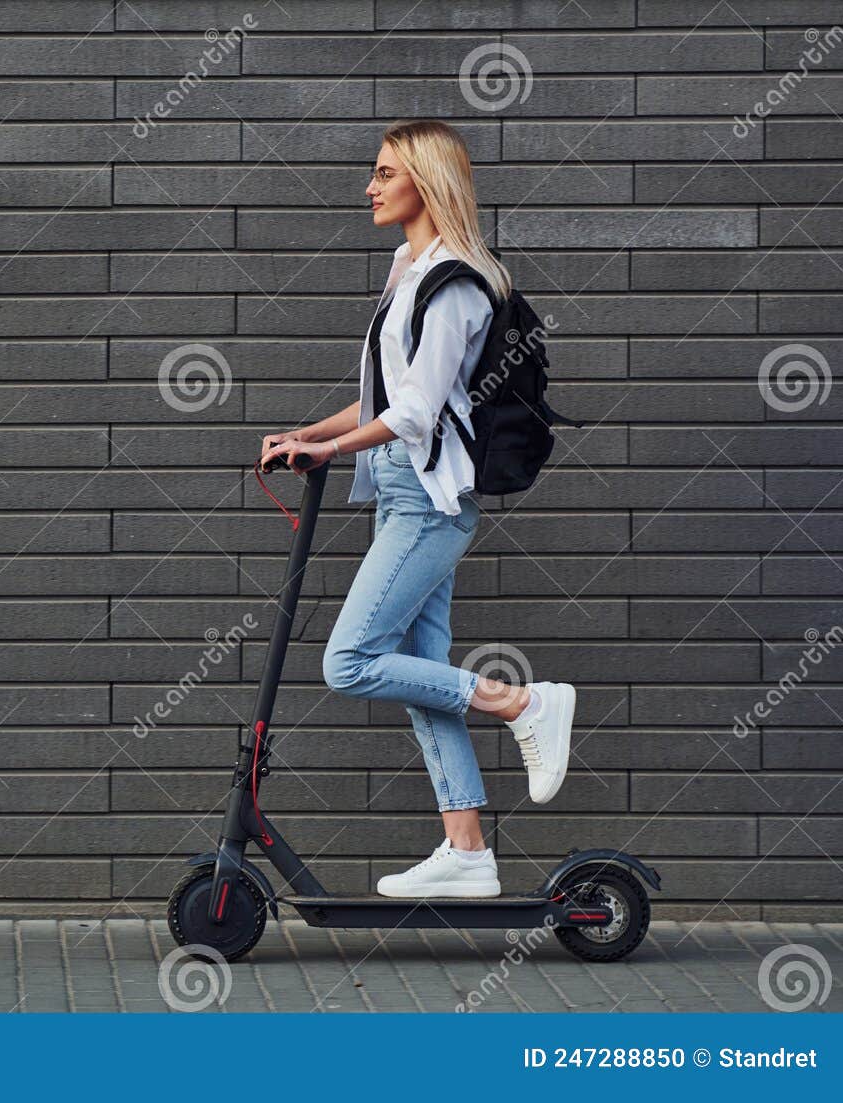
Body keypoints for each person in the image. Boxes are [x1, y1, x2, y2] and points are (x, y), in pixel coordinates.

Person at [258, 119, 575, 899]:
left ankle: (525, 701)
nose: (370, 186)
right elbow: (383, 398)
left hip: (429, 501)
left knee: (350, 661)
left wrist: (330, 452)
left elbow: (416, 413)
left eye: (383, 172)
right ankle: (466, 848)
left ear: (425, 183)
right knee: (420, 673)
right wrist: (309, 430)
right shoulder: (409, 266)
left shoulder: (458, 280)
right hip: (401, 489)